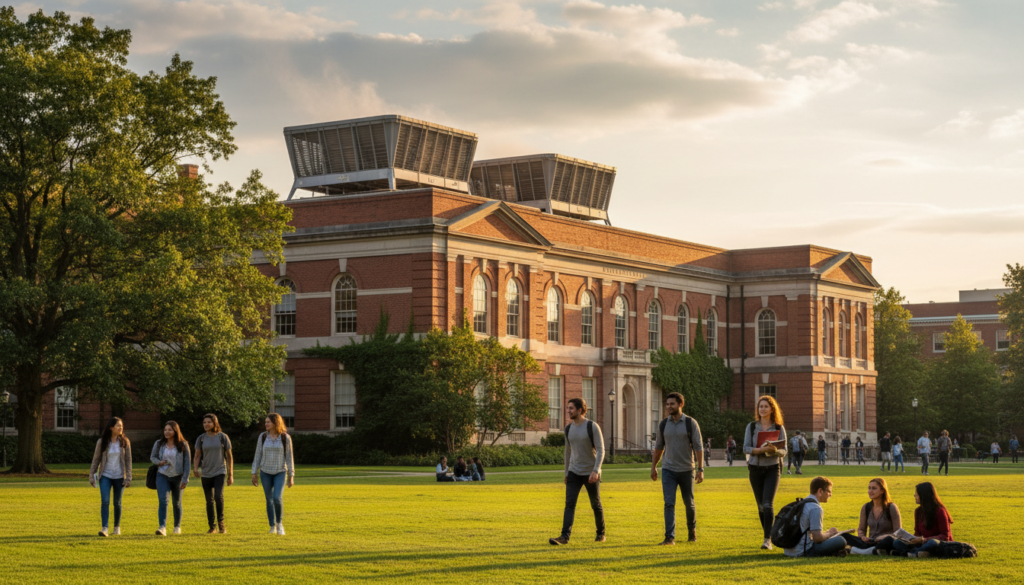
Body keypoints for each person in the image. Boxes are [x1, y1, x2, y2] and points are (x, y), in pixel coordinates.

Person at [549, 398, 605, 545]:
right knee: (569, 504)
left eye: (571, 408)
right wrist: (566, 473)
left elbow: (600, 450)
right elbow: (567, 453)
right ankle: (564, 537)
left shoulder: (592, 426)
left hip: (590, 473)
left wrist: (596, 470)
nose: (568, 411)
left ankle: (601, 534)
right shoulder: (568, 429)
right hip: (574, 472)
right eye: (568, 408)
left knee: (595, 504)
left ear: (580, 410)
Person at [651, 392, 704, 545]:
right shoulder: (663, 424)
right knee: (669, 503)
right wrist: (653, 467)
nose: (669, 407)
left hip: (687, 470)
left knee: (689, 502)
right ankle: (669, 537)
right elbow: (659, 447)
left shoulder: (690, 423)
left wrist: (700, 469)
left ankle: (691, 531)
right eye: (667, 404)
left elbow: (698, 447)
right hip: (668, 470)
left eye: (672, 404)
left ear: (680, 404)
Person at [743, 396, 787, 550]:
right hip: (755, 468)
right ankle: (768, 534)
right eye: (760, 406)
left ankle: (767, 539)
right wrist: (760, 450)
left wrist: (775, 450)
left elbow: (784, 451)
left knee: (768, 504)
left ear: (772, 409)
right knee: (761, 506)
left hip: (773, 468)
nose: (762, 409)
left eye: (765, 407)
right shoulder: (752, 427)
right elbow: (746, 448)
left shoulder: (779, 428)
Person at [783, 476, 849, 558]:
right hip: (804, 550)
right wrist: (830, 534)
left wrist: (827, 533)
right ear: (820, 491)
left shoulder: (801, 503)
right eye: (829, 491)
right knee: (841, 541)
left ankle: (835, 552)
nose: (830, 495)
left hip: (789, 550)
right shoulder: (815, 508)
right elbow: (817, 538)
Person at [251, 413, 295, 535]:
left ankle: (279, 524)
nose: (266, 424)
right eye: (265, 422)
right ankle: (272, 526)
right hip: (265, 472)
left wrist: (291, 475)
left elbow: (289, 457)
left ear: (276, 423)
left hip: (280, 471)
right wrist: (254, 473)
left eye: (268, 422)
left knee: (277, 497)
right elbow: (258, 455)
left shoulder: (285, 438)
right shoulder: (263, 437)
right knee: (269, 499)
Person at [89, 417, 133, 537]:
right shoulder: (102, 442)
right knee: (105, 501)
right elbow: (96, 460)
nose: (121, 428)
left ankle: (117, 528)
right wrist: (92, 476)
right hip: (106, 476)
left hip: (120, 476)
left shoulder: (125, 441)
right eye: (118, 425)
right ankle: (104, 528)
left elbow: (128, 460)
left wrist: (128, 477)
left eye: (122, 426)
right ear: (111, 428)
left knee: (117, 502)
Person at [840, 478, 903, 555]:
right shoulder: (866, 507)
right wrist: (863, 537)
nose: (870, 491)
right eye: (869, 488)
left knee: (888, 540)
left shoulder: (891, 507)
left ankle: (859, 550)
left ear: (882, 491)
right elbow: (861, 529)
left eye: (874, 488)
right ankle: (872, 551)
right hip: (869, 542)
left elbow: (898, 532)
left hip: (884, 541)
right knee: (844, 536)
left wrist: (883, 537)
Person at [193, 413, 233, 534]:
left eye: (209, 422)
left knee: (218, 496)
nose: (206, 424)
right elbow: (197, 455)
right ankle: (212, 526)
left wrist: (230, 474)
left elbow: (229, 456)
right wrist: (195, 469)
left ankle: (221, 523)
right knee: (209, 500)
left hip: (220, 471)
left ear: (215, 423)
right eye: (204, 422)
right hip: (205, 473)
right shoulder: (201, 438)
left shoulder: (222, 437)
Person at [150, 421, 191, 536]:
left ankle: (177, 527)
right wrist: (159, 462)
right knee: (163, 501)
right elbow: (152, 457)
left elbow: (187, 463)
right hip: (162, 475)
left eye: (170, 430)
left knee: (177, 503)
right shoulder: (159, 443)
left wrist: (185, 479)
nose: (167, 432)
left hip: (178, 477)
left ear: (175, 431)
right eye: (165, 430)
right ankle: (162, 527)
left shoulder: (183, 444)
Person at [891, 482, 953, 558]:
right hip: (922, 543)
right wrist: (912, 540)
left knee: (932, 543)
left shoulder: (940, 511)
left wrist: (924, 540)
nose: (914, 496)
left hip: (938, 544)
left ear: (923, 495)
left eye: (916, 494)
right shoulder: (918, 511)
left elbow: (945, 536)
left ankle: (911, 552)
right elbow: (917, 532)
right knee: (897, 542)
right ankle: (917, 552)